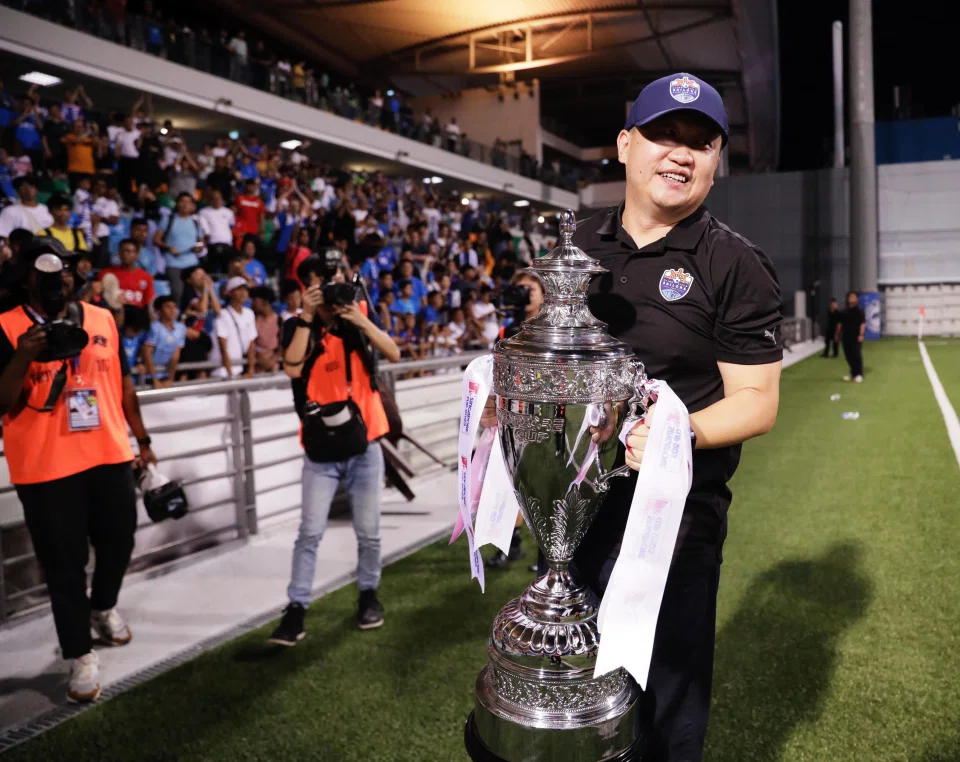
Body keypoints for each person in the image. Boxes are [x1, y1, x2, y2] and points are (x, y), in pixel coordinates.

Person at [482, 73, 783, 762]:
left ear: (716, 161)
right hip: (571, 511)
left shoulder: (734, 263)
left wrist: (680, 436)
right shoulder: (574, 246)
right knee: (571, 698)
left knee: (663, 709)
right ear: (625, 145)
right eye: (662, 136)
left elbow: (759, 401)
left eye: (699, 143)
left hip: (669, 522)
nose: (679, 154)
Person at [0, 238, 157, 703]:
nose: (61, 277)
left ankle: (103, 606)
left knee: (121, 538)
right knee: (64, 567)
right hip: (45, 466)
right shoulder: (6, 326)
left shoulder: (101, 317)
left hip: (108, 452)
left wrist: (142, 440)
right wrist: (24, 355)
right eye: (50, 271)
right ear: (28, 277)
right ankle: (79, 654)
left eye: (68, 268)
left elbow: (124, 384)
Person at [269, 258, 400, 645]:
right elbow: (292, 368)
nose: (329, 289)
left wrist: (359, 320)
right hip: (321, 449)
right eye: (320, 284)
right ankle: (296, 609)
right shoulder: (298, 326)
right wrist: (309, 316)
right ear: (305, 288)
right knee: (309, 532)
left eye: (334, 281)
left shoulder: (355, 320)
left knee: (369, 533)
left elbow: (392, 353)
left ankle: (368, 595)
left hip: (366, 444)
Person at [154, 193, 205, 304]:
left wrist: (197, 247)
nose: (185, 204)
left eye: (188, 202)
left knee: (197, 293)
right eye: (182, 201)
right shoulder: (168, 219)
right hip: (173, 263)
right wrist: (169, 247)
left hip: (192, 263)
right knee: (177, 292)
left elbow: (202, 243)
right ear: (177, 203)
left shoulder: (195, 222)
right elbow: (156, 239)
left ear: (193, 206)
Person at [213, 276, 257, 378]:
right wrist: (230, 373)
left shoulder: (249, 313)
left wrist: (251, 370)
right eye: (239, 289)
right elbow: (223, 347)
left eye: (245, 289)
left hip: (241, 368)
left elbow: (251, 343)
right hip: (223, 370)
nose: (243, 293)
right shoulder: (223, 315)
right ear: (230, 292)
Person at [99, 238, 155, 312]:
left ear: (137, 254)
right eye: (122, 251)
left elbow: (149, 303)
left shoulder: (146, 277)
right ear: (119, 253)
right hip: (113, 312)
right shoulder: (106, 273)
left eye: (129, 251)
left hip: (137, 316)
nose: (125, 254)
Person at [142, 295, 186, 387]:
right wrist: (154, 379)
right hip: (149, 376)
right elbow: (147, 353)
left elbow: (175, 356)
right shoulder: (154, 328)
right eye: (168, 307)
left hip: (166, 375)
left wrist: (170, 379)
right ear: (159, 311)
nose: (172, 310)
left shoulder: (181, 328)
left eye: (174, 307)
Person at [250, 285, 281, 372]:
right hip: (257, 369)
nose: (252, 304)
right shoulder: (253, 320)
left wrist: (273, 360)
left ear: (264, 302)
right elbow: (250, 342)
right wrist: (258, 354)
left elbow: (283, 344)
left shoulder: (279, 320)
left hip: (275, 369)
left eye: (255, 300)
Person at [837, 290, 865, 382]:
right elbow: (840, 324)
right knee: (848, 356)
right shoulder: (844, 312)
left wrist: (861, 334)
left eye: (854, 297)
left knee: (856, 355)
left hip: (856, 337)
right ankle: (853, 373)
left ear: (857, 299)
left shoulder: (859, 312)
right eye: (851, 297)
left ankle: (859, 374)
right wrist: (837, 334)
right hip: (846, 337)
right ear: (848, 299)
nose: (852, 298)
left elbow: (862, 324)